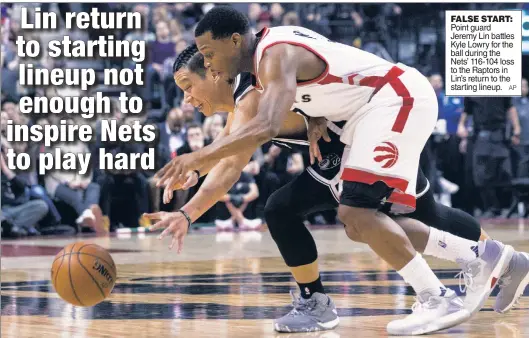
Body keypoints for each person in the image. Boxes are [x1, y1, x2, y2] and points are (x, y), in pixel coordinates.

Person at [152, 8, 517, 335]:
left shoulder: (268, 62)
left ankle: (444, 290)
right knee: (359, 219)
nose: (187, 96)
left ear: (231, 46)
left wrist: (196, 161)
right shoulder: (263, 66)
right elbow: (325, 67)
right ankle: (494, 259)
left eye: (205, 61)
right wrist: (315, 113)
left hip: (386, 108)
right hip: (361, 127)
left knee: (371, 215)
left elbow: (249, 142)